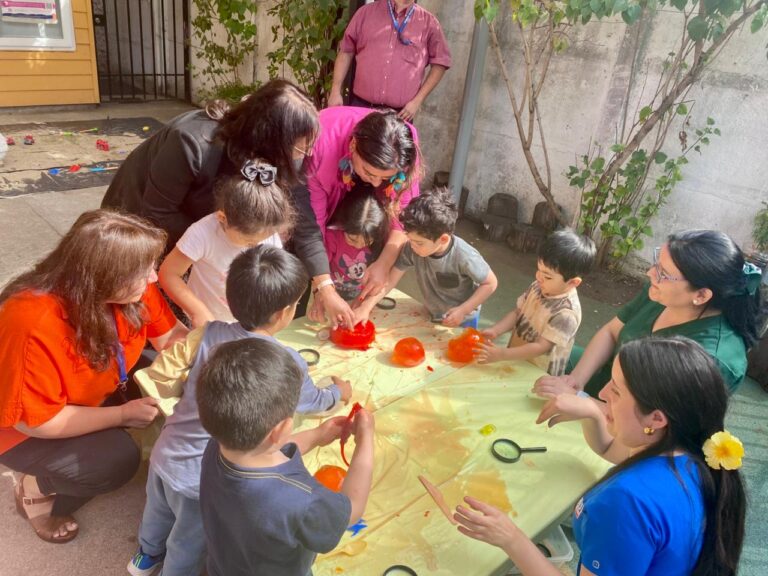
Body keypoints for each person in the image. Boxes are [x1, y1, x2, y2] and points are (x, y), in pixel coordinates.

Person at [128, 245, 352, 576]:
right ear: (284, 314)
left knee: (158, 510)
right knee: (187, 543)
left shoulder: (209, 332)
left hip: (166, 449)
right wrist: (339, 392)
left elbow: (169, 371)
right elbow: (312, 401)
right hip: (199, 475)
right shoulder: (286, 360)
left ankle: (145, 557)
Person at [456, 336, 746, 576]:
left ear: (656, 418)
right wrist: (595, 413)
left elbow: (626, 504)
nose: (604, 392)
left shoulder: (626, 501)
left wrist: (511, 538)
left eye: (617, 392)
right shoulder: (694, 449)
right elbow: (611, 450)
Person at [0, 210, 188, 544]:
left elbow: (171, 338)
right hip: (23, 430)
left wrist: (217, 348)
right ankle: (35, 489)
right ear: (102, 276)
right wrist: (121, 414)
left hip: (95, 390)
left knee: (172, 380)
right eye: (144, 271)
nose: (153, 278)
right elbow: (36, 423)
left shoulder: (132, 288)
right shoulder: (32, 320)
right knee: (115, 461)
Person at [197, 338, 374, 576]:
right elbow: (352, 509)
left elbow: (264, 450)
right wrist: (366, 440)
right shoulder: (301, 500)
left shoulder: (215, 447)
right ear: (281, 429)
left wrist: (317, 435)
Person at [534, 230, 762, 398]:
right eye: (656, 263)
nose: (650, 273)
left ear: (701, 295)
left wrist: (585, 405)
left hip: (639, 422)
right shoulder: (660, 294)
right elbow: (612, 332)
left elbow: (657, 427)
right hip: (609, 380)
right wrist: (576, 381)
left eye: (663, 273)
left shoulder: (714, 359)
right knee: (543, 352)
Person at [101, 79, 319, 252]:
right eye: (299, 148)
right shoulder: (191, 142)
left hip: (199, 222)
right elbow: (157, 214)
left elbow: (297, 209)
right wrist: (223, 239)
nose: (305, 154)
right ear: (271, 139)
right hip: (135, 218)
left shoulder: (272, 156)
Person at [298, 106, 420, 327]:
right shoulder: (322, 142)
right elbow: (313, 227)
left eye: (385, 178)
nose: (375, 184)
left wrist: (383, 263)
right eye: (370, 173)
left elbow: (402, 218)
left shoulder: (404, 146)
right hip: (329, 172)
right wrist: (322, 287)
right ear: (353, 146)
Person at [158, 162, 293, 327]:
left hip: (248, 320)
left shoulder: (265, 229)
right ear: (223, 218)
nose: (256, 246)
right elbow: (169, 274)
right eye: (249, 241)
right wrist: (197, 310)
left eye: (262, 240)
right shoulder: (203, 233)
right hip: (208, 320)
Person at [355, 187, 498, 328]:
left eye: (418, 243)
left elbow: (490, 283)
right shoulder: (412, 248)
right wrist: (366, 307)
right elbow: (390, 281)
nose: (412, 246)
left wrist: (463, 310)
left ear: (443, 239)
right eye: (410, 240)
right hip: (432, 313)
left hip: (463, 318)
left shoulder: (464, 255)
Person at [475, 229, 595, 375]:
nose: (539, 277)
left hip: (539, 373)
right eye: (539, 270)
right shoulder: (538, 286)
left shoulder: (566, 314)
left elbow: (541, 347)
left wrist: (501, 354)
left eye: (548, 276)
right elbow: (517, 313)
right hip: (515, 360)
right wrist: (496, 330)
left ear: (573, 282)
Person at [328, 0, 452, 121]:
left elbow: (441, 63)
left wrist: (417, 101)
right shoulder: (365, 13)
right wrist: (335, 90)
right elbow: (346, 51)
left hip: (400, 115)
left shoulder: (428, 23)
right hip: (361, 108)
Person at [323, 186, 389, 302]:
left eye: (367, 241)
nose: (359, 246)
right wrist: (325, 295)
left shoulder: (382, 239)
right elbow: (321, 269)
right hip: (332, 291)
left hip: (363, 293)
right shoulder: (332, 236)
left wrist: (365, 301)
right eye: (352, 239)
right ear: (342, 225)